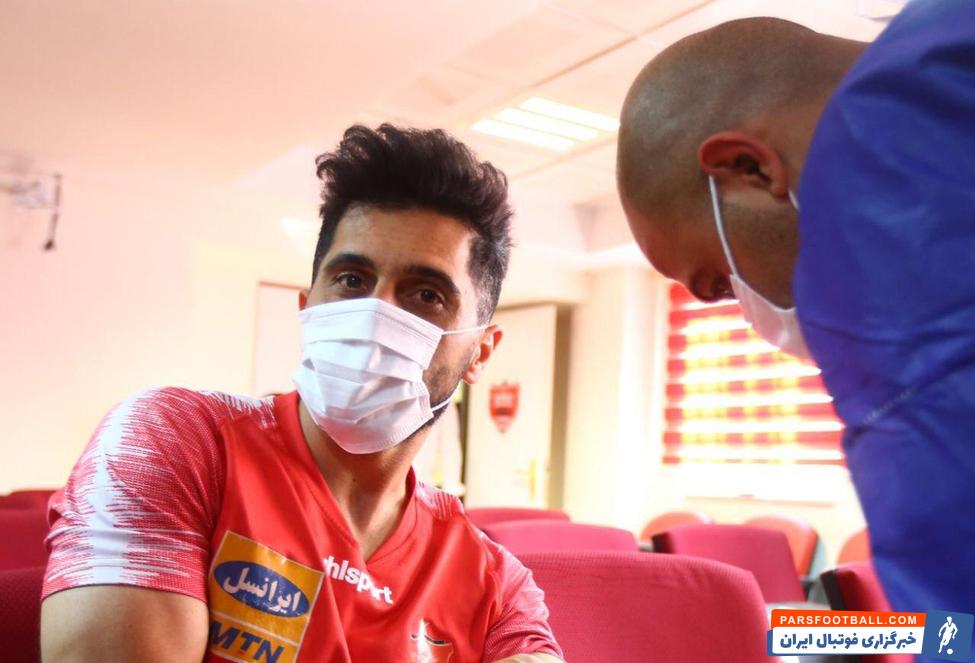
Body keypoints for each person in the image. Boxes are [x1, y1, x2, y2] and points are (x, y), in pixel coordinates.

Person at [40, 124, 563, 663]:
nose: (375, 315)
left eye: (426, 295)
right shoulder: (175, 442)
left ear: (479, 351)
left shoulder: (495, 585)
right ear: (307, 309)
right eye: (352, 280)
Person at [616, 0, 975, 634]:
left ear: (749, 168)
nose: (748, 315)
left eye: (722, 284)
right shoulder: (945, 42)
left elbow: (958, 631)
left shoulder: (900, 288)